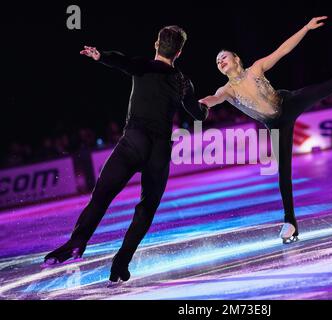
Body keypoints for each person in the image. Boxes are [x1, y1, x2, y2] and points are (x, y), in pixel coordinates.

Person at [199, 16, 332, 244]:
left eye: (223, 57)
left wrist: (305, 27)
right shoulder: (226, 89)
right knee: (283, 173)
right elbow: (215, 98)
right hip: (276, 125)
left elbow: (283, 49)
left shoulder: (255, 69)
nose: (219, 61)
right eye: (217, 62)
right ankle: (291, 223)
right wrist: (203, 103)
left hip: (288, 102)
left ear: (236, 58)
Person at [43, 25, 209, 283]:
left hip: (134, 141)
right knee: (147, 207)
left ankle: (77, 243)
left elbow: (123, 61)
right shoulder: (183, 82)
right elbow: (197, 113)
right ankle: (121, 262)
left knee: (101, 196)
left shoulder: (143, 65)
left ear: (157, 44)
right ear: (179, 52)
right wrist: (204, 109)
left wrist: (102, 56)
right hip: (159, 150)